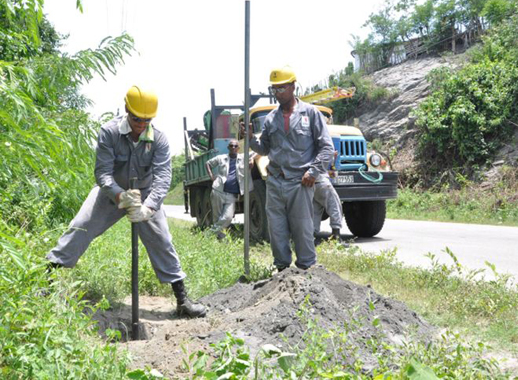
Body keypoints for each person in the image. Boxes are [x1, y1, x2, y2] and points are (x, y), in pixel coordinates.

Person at [46, 86, 206, 318]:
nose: (141, 124)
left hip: (146, 195)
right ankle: (45, 281)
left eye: (146, 120)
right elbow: (102, 173)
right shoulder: (109, 132)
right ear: (126, 110)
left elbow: (163, 178)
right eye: (136, 119)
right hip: (110, 194)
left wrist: (148, 207)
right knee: (80, 227)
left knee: (162, 241)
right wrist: (121, 196)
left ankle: (183, 301)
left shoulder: (159, 139)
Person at [242, 66, 334, 271]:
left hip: (300, 182)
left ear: (293, 86)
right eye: (274, 89)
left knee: (302, 228)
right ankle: (282, 270)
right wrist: (250, 139)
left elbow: (327, 148)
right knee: (276, 229)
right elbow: (264, 149)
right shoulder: (270, 119)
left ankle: (307, 270)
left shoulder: (310, 113)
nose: (277, 93)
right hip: (275, 181)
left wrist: (313, 172)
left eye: (281, 88)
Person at [205, 140, 254, 239]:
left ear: (238, 148)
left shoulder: (243, 157)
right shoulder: (221, 158)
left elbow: (258, 151)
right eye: (231, 146)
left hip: (232, 195)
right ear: (228, 147)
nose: (233, 148)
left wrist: (252, 159)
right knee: (217, 218)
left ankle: (208, 234)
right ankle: (220, 240)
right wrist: (211, 176)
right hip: (218, 191)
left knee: (227, 217)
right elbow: (208, 163)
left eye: (236, 146)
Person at [313, 158, 344, 243]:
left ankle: (311, 238)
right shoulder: (325, 151)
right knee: (335, 205)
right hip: (322, 183)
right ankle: (336, 236)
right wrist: (333, 160)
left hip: (311, 183)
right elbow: (332, 174)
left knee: (315, 210)